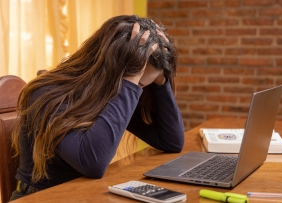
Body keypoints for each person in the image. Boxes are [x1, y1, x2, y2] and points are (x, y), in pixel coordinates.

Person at [10, 15, 184, 200]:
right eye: (137, 82)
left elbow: (171, 141)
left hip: (84, 195)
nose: (138, 90)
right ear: (114, 68)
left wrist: (161, 81)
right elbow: (92, 163)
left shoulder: (109, 93)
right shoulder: (46, 93)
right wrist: (131, 81)